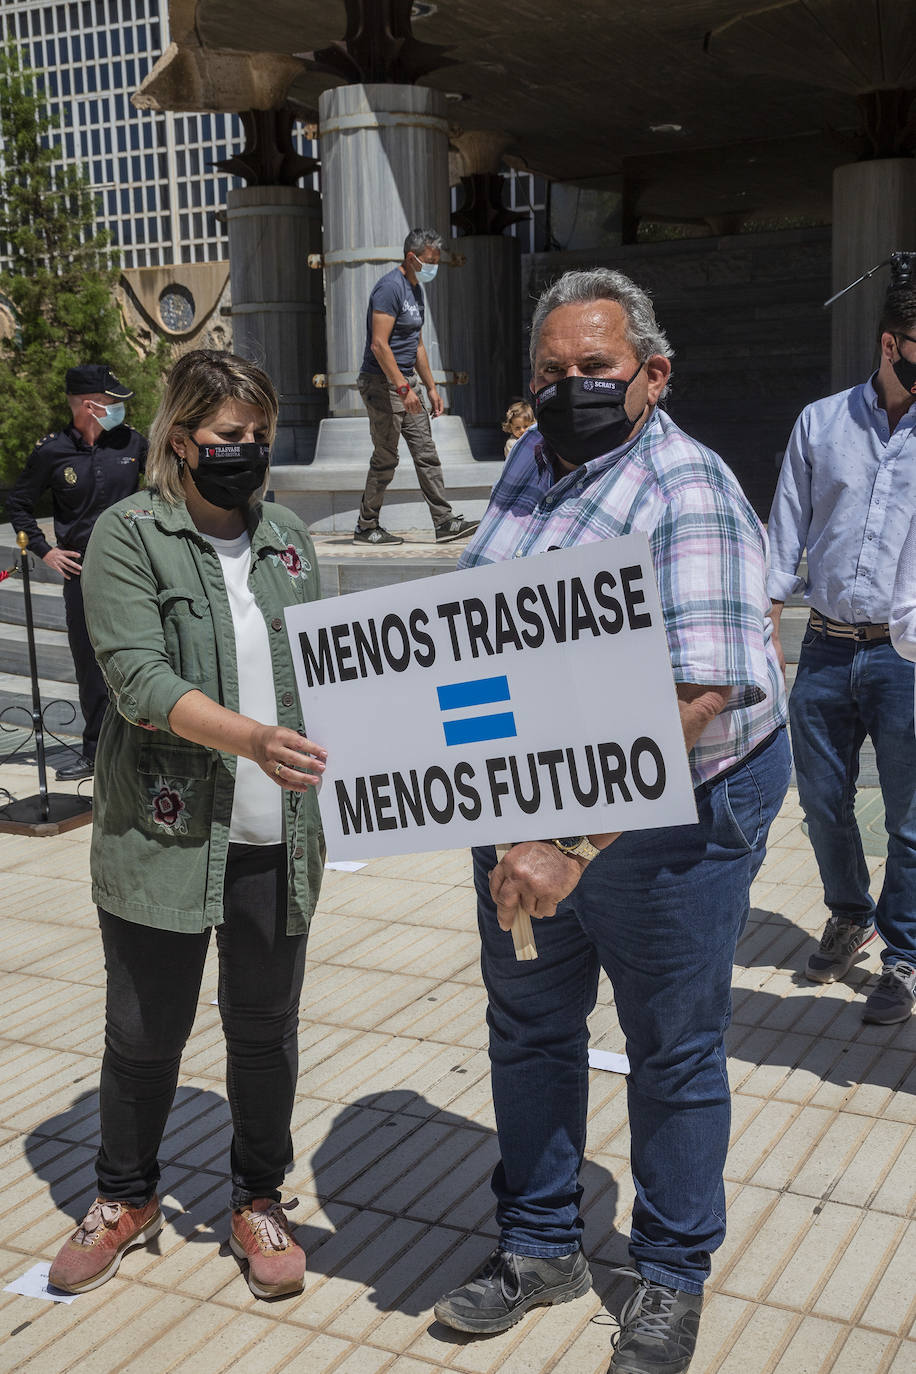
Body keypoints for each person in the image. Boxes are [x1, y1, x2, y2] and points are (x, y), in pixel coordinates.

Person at [433, 270, 789, 1374]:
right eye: (551, 372)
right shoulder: (534, 464)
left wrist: (568, 845)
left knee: (670, 1052)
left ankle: (671, 1275)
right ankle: (540, 1247)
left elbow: (696, 696)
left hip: (672, 813)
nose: (571, 388)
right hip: (531, 811)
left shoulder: (687, 491)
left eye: (595, 370)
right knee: (529, 1027)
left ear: (653, 374)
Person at [47, 351, 328, 1301]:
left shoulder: (290, 537)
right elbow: (137, 680)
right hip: (163, 835)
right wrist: (249, 736)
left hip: (273, 835)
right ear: (180, 439)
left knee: (264, 1032)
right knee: (143, 1032)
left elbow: (329, 666)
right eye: (226, 438)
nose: (245, 453)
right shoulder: (129, 535)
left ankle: (258, 1199)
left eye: (258, 437)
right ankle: (125, 1197)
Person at [767, 266, 916, 1025]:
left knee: (909, 816)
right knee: (822, 802)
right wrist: (768, 615)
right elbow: (785, 526)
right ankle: (849, 912)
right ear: (888, 343)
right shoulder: (821, 423)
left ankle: (905, 956)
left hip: (906, 655)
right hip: (824, 645)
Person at [6, 364, 147, 780]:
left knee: (142, 655)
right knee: (90, 663)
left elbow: (167, 486)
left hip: (135, 566)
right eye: (112, 401)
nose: (119, 407)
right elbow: (19, 505)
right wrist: (46, 551)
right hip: (82, 572)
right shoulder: (51, 451)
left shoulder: (133, 442)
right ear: (90, 405)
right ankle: (96, 751)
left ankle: (147, 746)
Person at [353, 227, 479, 547]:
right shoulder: (389, 289)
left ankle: (444, 521)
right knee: (387, 456)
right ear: (411, 258)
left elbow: (417, 344)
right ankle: (367, 526)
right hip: (383, 382)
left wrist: (431, 388)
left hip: (407, 381)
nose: (433, 267)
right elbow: (380, 346)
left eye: (436, 261)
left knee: (426, 452)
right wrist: (402, 389)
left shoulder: (415, 290)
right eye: (429, 261)